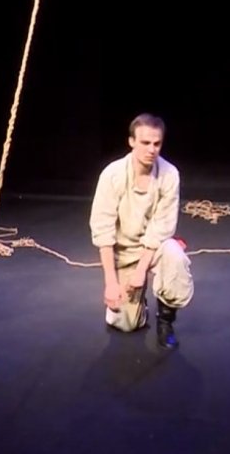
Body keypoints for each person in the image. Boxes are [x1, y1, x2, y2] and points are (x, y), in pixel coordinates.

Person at [89, 113, 194, 350]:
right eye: (145, 142)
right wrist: (111, 282)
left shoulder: (169, 174)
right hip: (123, 252)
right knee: (126, 324)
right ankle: (138, 306)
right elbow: (103, 229)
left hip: (154, 249)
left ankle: (165, 321)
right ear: (131, 141)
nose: (151, 149)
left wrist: (141, 270)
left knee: (174, 255)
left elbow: (161, 227)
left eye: (157, 143)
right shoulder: (112, 174)